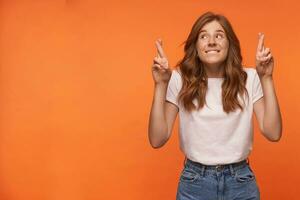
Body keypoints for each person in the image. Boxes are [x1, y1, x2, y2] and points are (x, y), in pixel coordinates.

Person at [148, 12, 282, 200]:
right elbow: (157, 139)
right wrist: (160, 85)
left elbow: (273, 132)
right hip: (194, 183)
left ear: (230, 44)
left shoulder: (249, 78)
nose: (211, 41)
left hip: (240, 182)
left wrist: (266, 78)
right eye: (203, 36)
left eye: (219, 35)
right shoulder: (179, 79)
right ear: (196, 46)